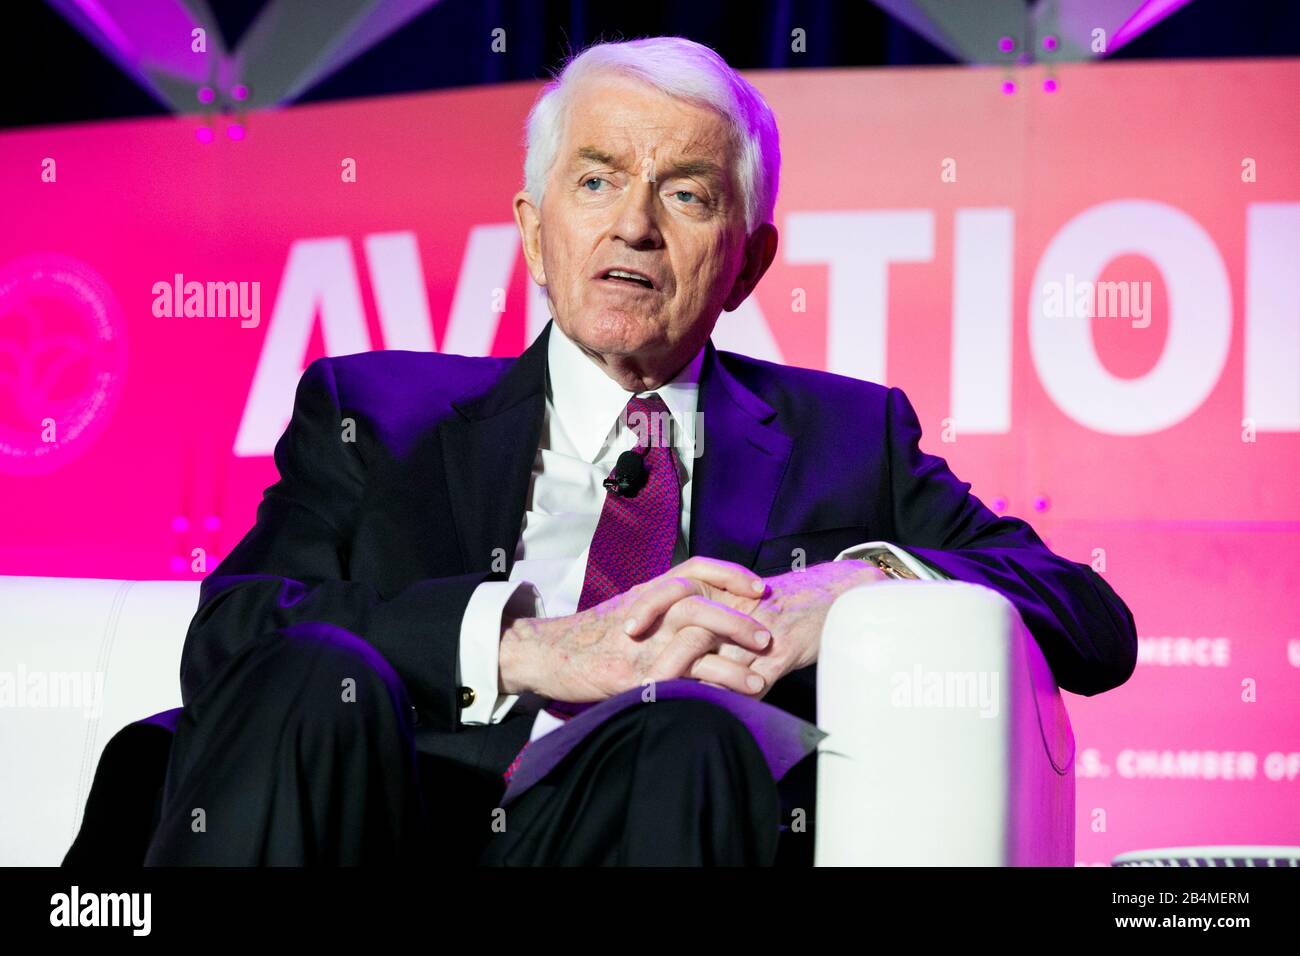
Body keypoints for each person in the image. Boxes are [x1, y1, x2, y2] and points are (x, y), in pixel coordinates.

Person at [67, 36, 1137, 868]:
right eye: (594, 181)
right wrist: (517, 646)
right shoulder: (375, 409)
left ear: (748, 260)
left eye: (685, 193)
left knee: (693, 729)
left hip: (644, 819)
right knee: (312, 669)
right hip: (379, 818)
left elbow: (1093, 621)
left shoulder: (849, 436)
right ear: (534, 231)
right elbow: (238, 625)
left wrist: (860, 584)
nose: (632, 226)